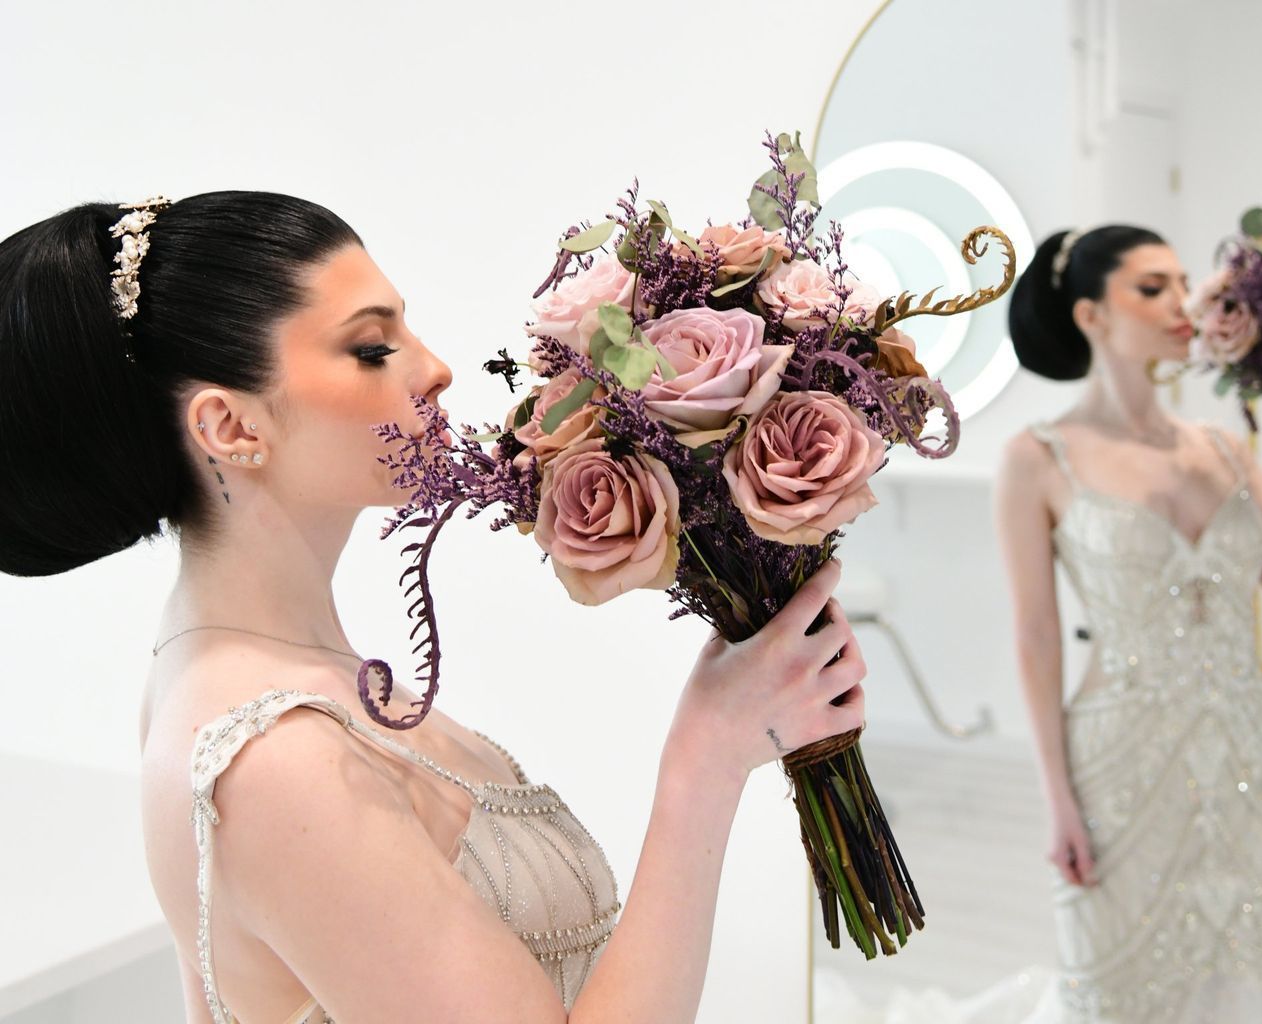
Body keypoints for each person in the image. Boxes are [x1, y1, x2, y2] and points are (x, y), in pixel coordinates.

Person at [0, 192, 868, 1023]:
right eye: (374, 349)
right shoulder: (274, 760)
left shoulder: (252, 668)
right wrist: (705, 763)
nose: (435, 369)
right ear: (231, 428)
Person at [994, 225, 1262, 1021]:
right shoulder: (1037, 457)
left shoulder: (1227, 447)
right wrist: (1057, 800)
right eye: (1151, 287)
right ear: (1091, 315)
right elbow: (1036, 639)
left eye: (1183, 282)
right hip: (1117, 763)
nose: (1180, 303)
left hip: (1256, 755)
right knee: (1122, 987)